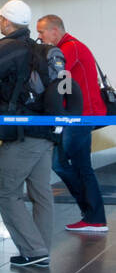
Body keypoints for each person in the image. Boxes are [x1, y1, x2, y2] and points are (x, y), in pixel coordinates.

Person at [0, 0, 56, 267]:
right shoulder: (38, 48)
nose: (0, 23)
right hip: (45, 130)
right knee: (41, 192)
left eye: (1, 19)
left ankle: (35, 250)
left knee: (5, 191)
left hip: (23, 133)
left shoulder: (10, 47)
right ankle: (40, 248)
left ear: (6, 21)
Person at [37, 14, 108, 234]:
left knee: (73, 165)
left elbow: (51, 73)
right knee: (67, 164)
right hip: (77, 115)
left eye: (41, 32)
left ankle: (94, 217)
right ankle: (91, 215)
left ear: (55, 31)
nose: (39, 38)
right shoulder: (72, 45)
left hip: (81, 115)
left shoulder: (70, 47)